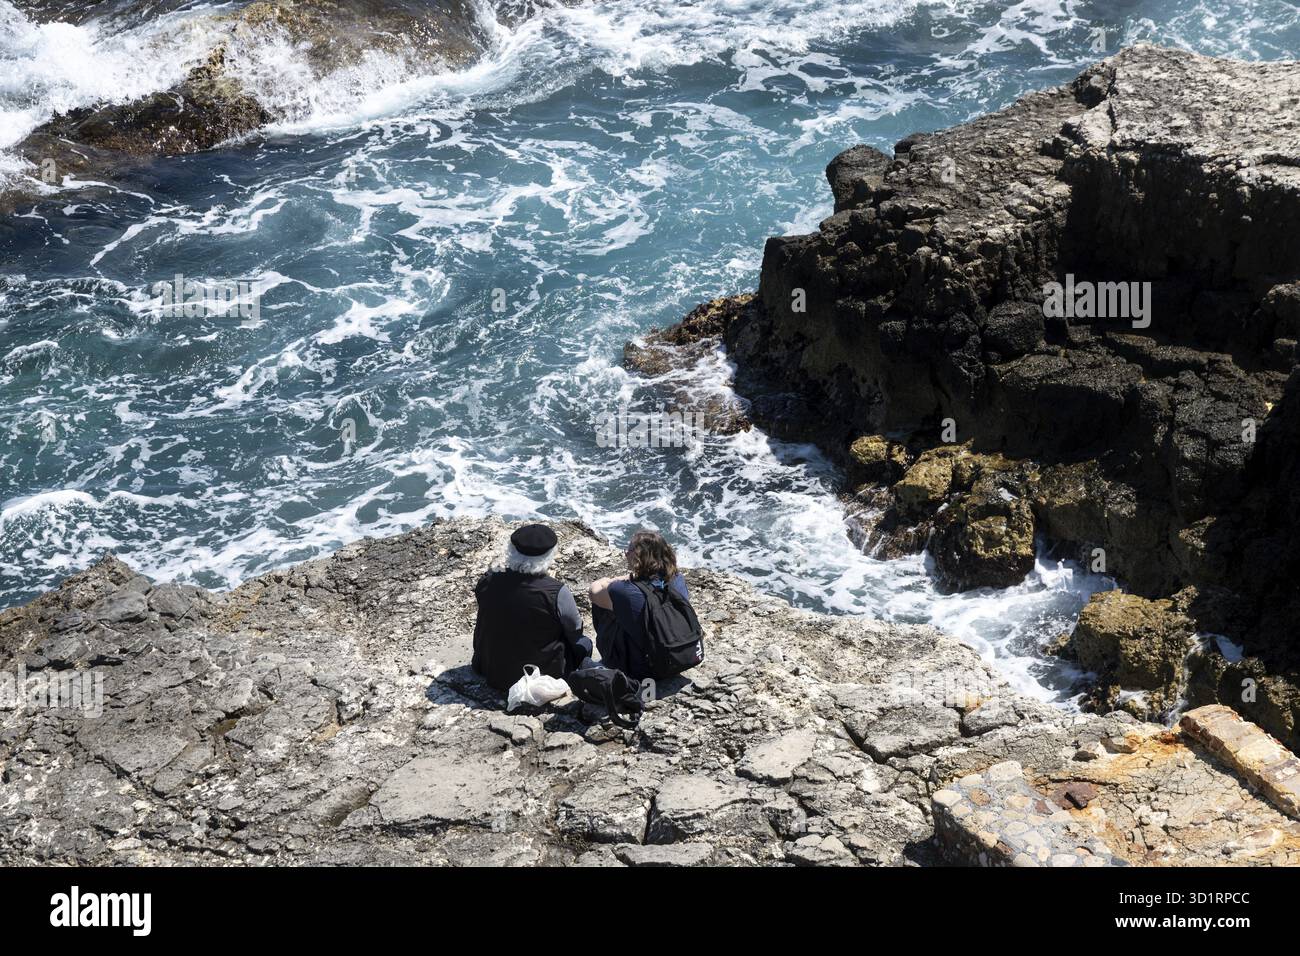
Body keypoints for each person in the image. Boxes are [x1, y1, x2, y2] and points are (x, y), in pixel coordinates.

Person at [472, 523, 591, 691]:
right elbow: (575, 630)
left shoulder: (488, 580)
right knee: (584, 644)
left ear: (511, 550)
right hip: (538, 675)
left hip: (489, 668)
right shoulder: (557, 592)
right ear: (549, 555)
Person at [588, 530, 694, 679]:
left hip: (643, 670)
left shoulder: (623, 590)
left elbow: (594, 591)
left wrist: (617, 579)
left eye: (629, 550)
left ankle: (611, 658)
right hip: (676, 655)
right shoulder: (677, 579)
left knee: (604, 604)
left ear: (639, 557)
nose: (625, 554)